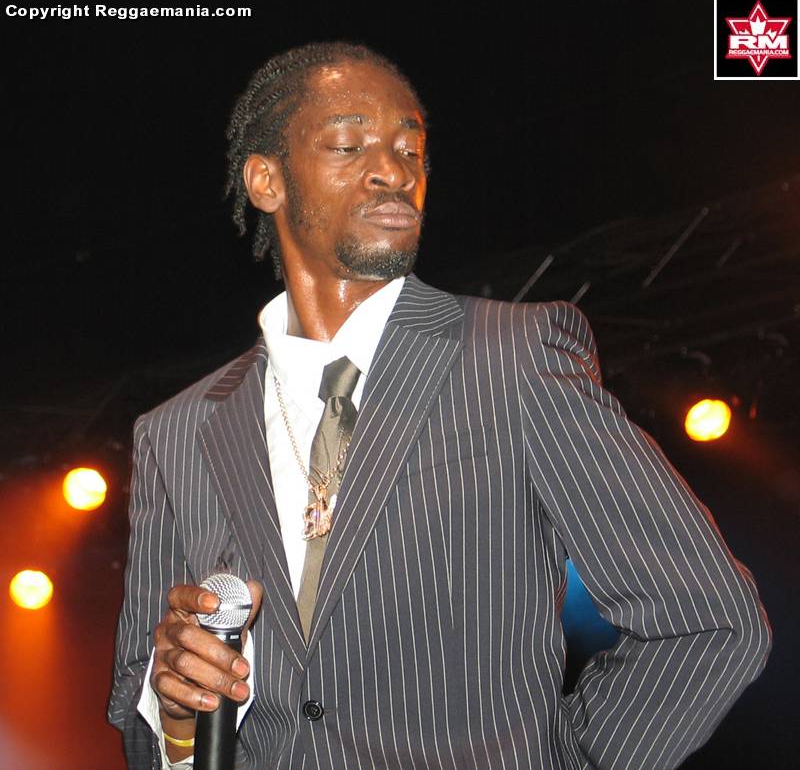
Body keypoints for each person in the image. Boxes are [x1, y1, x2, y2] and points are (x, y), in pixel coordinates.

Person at [108, 42, 771, 770]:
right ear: (267, 180)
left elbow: (709, 620)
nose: (394, 171)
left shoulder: (510, 358)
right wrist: (176, 720)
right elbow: (136, 721)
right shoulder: (176, 432)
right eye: (348, 144)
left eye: (410, 150)